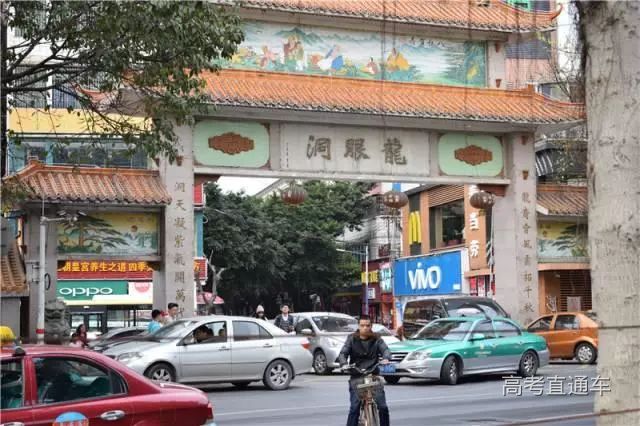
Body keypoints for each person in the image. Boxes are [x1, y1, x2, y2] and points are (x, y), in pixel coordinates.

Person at [338, 315, 391, 426]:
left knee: (383, 407)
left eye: (367, 325)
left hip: (373, 376)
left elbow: (386, 350)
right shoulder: (351, 339)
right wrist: (343, 364)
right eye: (362, 325)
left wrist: (386, 358)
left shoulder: (377, 339)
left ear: (371, 326)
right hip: (357, 376)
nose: (365, 328)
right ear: (358, 326)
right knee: (354, 408)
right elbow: (343, 353)